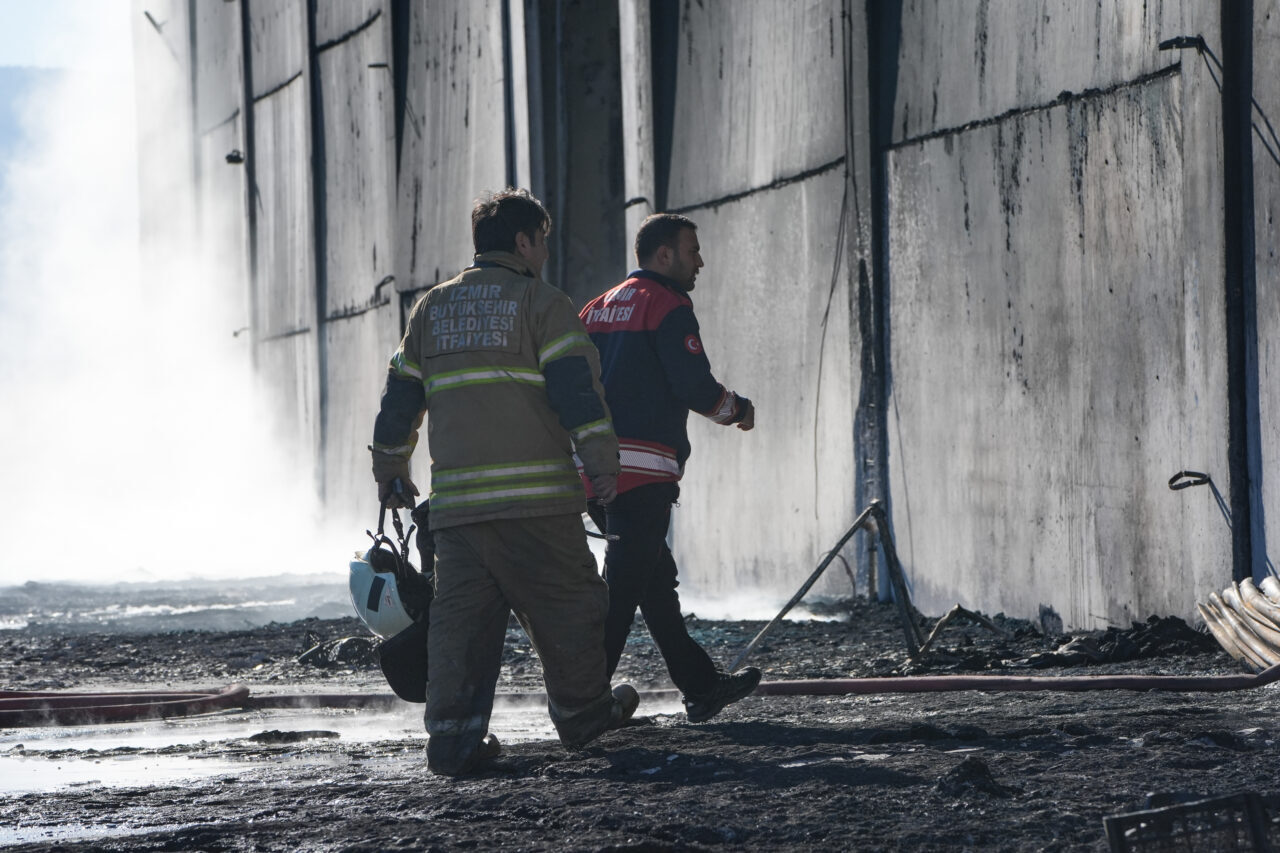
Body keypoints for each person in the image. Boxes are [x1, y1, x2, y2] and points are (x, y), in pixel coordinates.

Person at [370, 188, 637, 775]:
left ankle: (452, 738)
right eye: (541, 240)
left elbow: (399, 401)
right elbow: (578, 398)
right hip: (538, 507)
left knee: (461, 625)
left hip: (461, 515)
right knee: (571, 607)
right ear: (523, 241)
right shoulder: (543, 305)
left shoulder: (431, 310)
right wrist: (603, 469)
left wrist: (391, 473)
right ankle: (583, 714)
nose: (544, 252)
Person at [579, 212, 761, 723]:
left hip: (594, 475)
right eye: (692, 251)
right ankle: (585, 702)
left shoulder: (596, 308)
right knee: (623, 589)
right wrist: (739, 411)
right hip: (643, 477)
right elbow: (695, 386)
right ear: (664, 255)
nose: (699, 261)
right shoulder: (668, 305)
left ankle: (702, 686)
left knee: (653, 582)